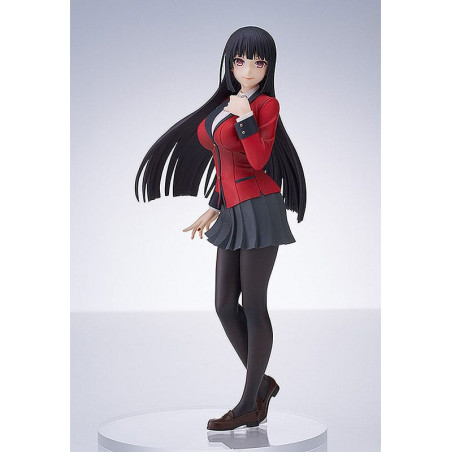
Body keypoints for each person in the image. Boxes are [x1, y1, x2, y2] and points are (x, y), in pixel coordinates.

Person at [135, 26, 307, 430]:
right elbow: (223, 162)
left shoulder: (265, 105)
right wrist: (214, 205)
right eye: (241, 60)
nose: (248, 69)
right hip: (231, 210)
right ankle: (262, 384)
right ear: (229, 63)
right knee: (224, 305)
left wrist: (245, 118)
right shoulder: (222, 105)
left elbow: (258, 160)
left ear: (269, 67)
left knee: (255, 304)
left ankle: (249, 403)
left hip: (260, 208)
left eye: (259, 62)